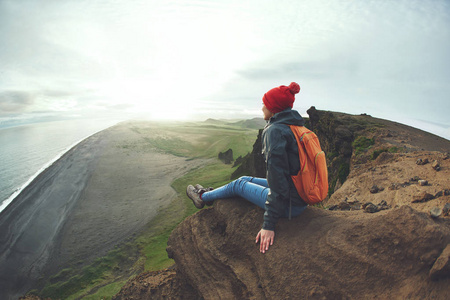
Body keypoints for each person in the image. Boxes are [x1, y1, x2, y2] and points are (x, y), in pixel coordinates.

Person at [186, 82, 307, 254]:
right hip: (297, 193)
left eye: (265, 104)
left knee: (238, 185)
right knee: (244, 179)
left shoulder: (275, 131)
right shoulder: (295, 126)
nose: (262, 107)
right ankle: (210, 194)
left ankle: (202, 197)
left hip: (289, 204)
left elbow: (277, 179)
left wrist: (269, 225)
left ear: (274, 108)